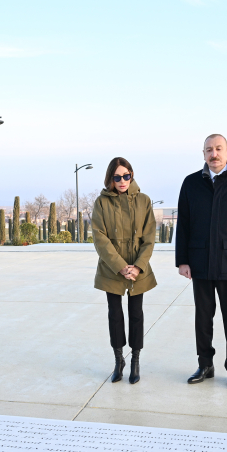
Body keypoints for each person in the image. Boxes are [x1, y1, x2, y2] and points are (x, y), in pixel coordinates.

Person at [175, 134, 227, 389]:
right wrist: (182, 260)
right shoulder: (191, 183)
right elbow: (184, 225)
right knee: (203, 318)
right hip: (199, 262)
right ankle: (205, 365)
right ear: (203, 154)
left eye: (218, 149)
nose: (214, 154)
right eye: (209, 150)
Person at [92, 157, 157, 384]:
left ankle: (135, 361)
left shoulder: (144, 200)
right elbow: (99, 238)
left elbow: (149, 238)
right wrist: (120, 266)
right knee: (115, 314)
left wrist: (138, 266)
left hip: (138, 268)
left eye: (126, 176)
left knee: (136, 314)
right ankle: (118, 360)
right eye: (117, 177)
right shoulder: (101, 203)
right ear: (110, 178)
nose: (122, 181)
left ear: (132, 175)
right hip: (112, 269)